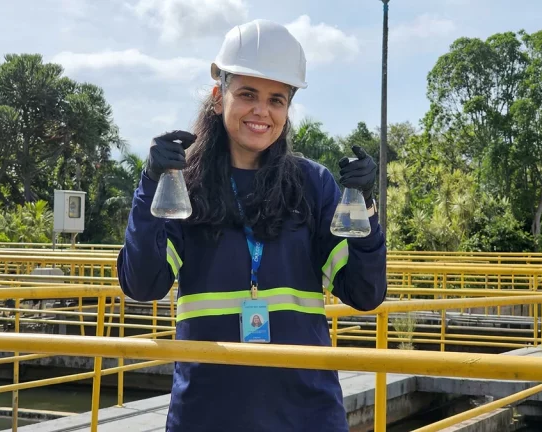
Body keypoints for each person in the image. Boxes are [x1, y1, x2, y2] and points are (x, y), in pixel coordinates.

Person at [117, 18, 387, 432]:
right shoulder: (183, 184)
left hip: (306, 415)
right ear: (217, 97)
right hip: (207, 415)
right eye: (247, 94)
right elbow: (143, 284)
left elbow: (365, 293)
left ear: (288, 108)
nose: (262, 111)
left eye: (277, 99)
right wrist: (150, 184)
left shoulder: (312, 185)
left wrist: (365, 205)